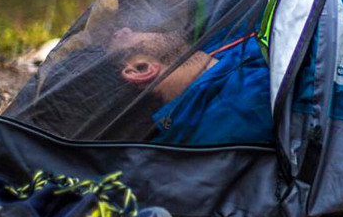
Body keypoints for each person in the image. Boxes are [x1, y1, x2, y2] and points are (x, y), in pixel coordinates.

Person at [108, 27, 274, 145]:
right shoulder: (239, 112)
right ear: (141, 69)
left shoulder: (215, 48)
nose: (125, 29)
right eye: (121, 39)